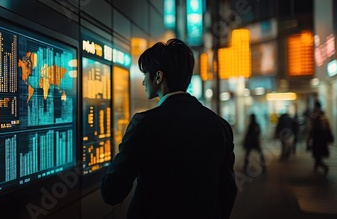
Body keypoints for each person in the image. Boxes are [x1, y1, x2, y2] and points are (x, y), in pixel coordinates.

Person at [100, 39, 237, 219]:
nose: (143, 82)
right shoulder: (220, 125)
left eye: (145, 74)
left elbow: (113, 192)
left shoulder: (144, 124)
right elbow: (228, 190)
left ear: (158, 76)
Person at [306, 101, 333, 175]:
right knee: (319, 154)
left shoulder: (314, 116)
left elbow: (311, 129)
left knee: (316, 154)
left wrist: (308, 140)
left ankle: (324, 167)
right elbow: (328, 128)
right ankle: (316, 168)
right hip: (323, 139)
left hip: (317, 138)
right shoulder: (324, 116)